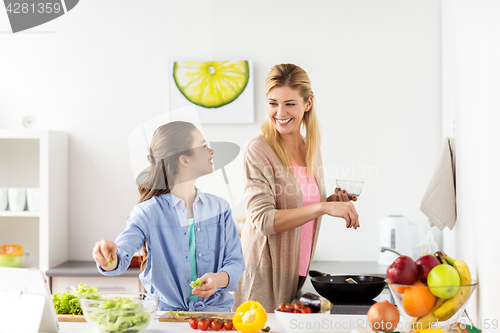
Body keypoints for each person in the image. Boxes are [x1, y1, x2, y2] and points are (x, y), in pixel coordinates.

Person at [233, 64, 360, 312]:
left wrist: (331, 201)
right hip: (263, 275)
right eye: (273, 103)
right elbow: (264, 220)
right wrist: (323, 207)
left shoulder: (310, 147)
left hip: (296, 272)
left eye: (290, 103)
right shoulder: (257, 150)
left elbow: (299, 203)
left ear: (308, 103)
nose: (280, 112)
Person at [93, 121, 245, 312]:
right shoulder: (147, 212)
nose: (211, 151)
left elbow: (235, 262)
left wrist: (218, 279)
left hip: (214, 318)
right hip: (167, 319)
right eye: (203, 145)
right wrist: (108, 258)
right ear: (184, 160)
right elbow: (121, 256)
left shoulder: (220, 208)